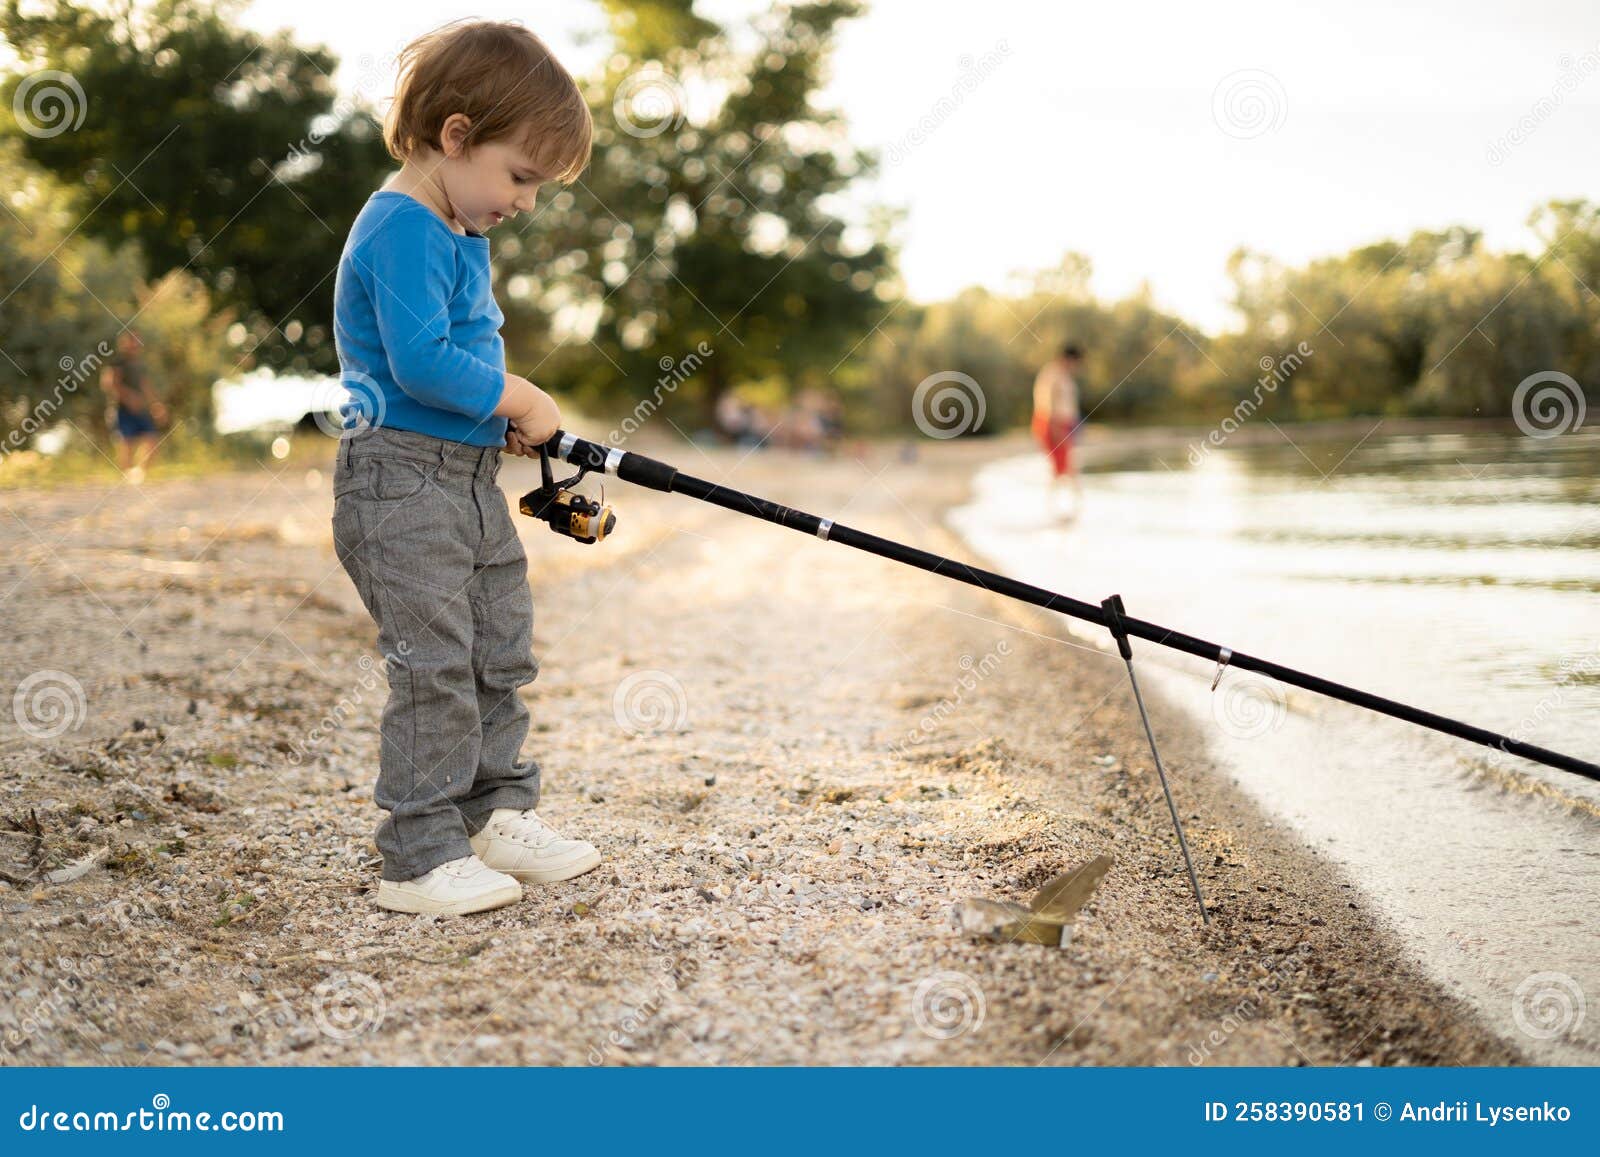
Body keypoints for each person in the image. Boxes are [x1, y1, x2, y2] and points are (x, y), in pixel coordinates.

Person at [331, 20, 600, 916]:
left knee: (497, 649)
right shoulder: (403, 225)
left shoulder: (457, 230)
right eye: (520, 176)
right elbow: (419, 364)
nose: (524, 200)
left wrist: (500, 423)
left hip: (465, 480)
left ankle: (493, 813)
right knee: (435, 663)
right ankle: (417, 851)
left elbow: (461, 362)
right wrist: (518, 397)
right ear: (455, 136)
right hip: (399, 483)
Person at [99, 330, 167, 482]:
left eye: (137, 341)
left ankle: (138, 474)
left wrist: (156, 405)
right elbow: (109, 384)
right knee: (126, 444)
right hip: (121, 409)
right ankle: (126, 477)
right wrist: (128, 397)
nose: (135, 344)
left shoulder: (139, 364)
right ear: (124, 343)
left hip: (140, 409)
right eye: (132, 341)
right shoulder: (117, 362)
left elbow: (145, 386)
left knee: (152, 440)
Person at [1032, 343, 1086, 517]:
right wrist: (1056, 429)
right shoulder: (1052, 374)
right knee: (1062, 468)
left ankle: (1068, 509)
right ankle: (1057, 509)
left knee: (1066, 468)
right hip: (1054, 425)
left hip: (1065, 425)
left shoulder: (1064, 376)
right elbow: (1046, 404)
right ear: (1068, 359)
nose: (1076, 367)